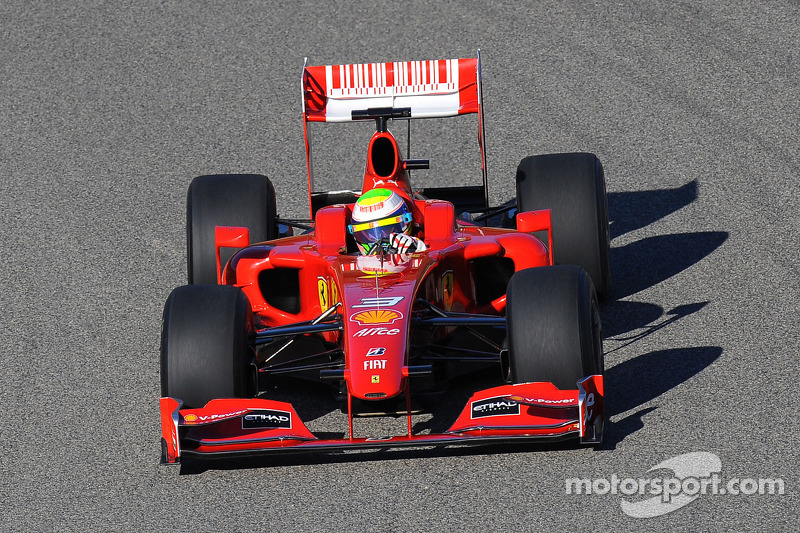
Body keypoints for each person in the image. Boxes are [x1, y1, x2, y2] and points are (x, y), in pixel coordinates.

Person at [348, 188, 427, 255]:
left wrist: (420, 250)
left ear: (406, 221)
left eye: (386, 230)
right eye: (369, 234)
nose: (379, 240)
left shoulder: (417, 247)